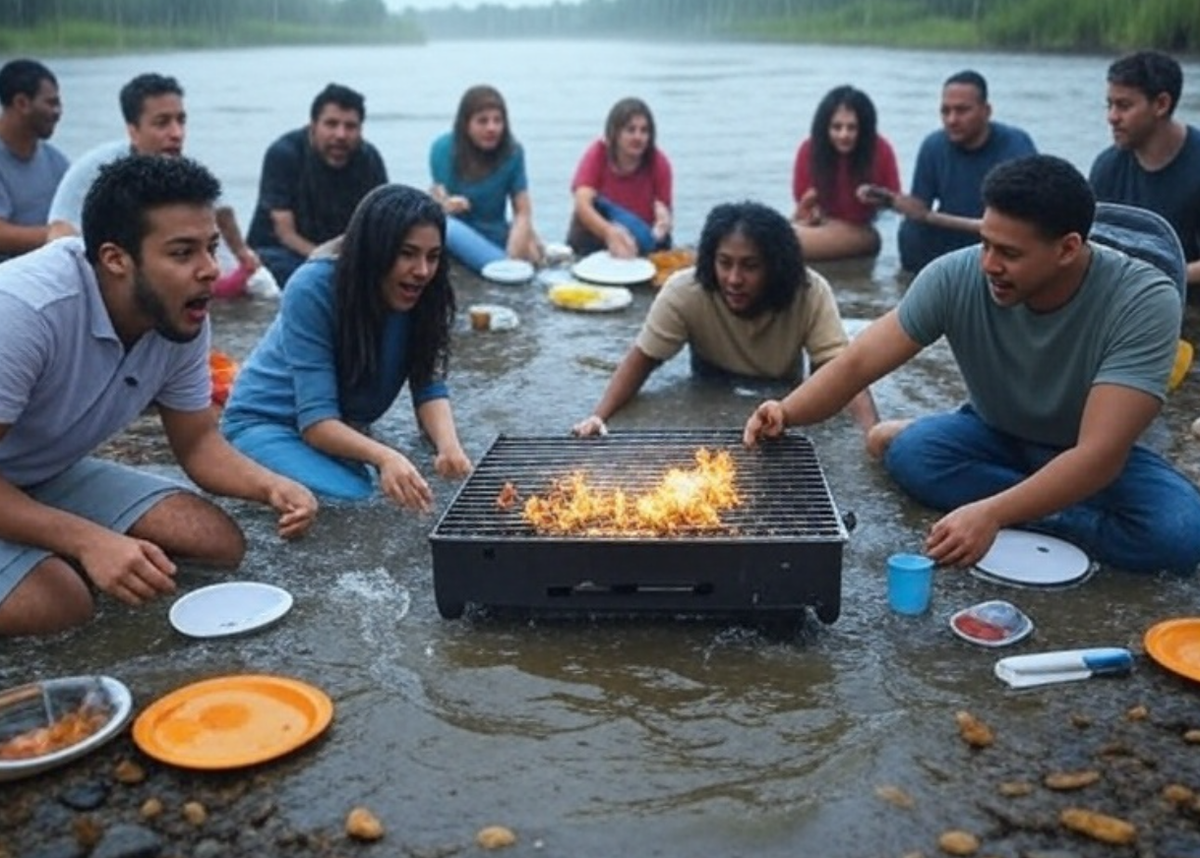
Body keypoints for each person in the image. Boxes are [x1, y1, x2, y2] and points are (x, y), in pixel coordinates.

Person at [743, 155, 1200, 575]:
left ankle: (1029, 499)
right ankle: (1056, 504)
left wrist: (993, 512)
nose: (989, 265)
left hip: (1089, 451)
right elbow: (858, 363)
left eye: (1010, 254)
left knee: (1177, 534)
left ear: (1067, 249)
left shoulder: (1143, 299)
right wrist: (787, 410)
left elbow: (1099, 455)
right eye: (985, 244)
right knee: (912, 456)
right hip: (994, 432)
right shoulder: (954, 275)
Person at [0, 155, 318, 637]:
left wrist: (270, 486)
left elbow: (197, 442)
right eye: (183, 253)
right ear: (116, 259)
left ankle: (38, 553)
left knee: (217, 543)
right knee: (62, 604)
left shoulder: (180, 316)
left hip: (38, 472)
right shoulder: (24, 313)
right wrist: (88, 541)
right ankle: (45, 564)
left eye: (211, 248)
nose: (210, 270)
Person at [222, 184, 472, 507]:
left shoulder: (425, 292)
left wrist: (450, 448)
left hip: (339, 424)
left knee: (403, 483)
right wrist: (385, 456)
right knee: (357, 501)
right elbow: (316, 423)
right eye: (407, 254)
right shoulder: (313, 288)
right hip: (267, 424)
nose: (422, 271)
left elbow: (428, 384)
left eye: (433, 256)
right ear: (374, 250)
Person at [573, 200, 878, 437]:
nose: (734, 279)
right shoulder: (685, 290)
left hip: (779, 398)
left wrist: (871, 435)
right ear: (710, 260)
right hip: (708, 387)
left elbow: (844, 372)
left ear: (775, 267)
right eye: (724, 263)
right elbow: (641, 359)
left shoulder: (810, 292)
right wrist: (599, 416)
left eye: (750, 266)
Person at [45, 73, 260, 290]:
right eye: (162, 123)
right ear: (133, 130)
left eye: (181, 120)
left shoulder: (184, 168)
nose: (177, 133)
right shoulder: (94, 169)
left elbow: (222, 211)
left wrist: (243, 253)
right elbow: (59, 234)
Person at [892, 70, 1036, 274]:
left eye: (962, 110)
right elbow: (919, 209)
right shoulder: (933, 146)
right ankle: (915, 283)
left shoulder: (1015, 145)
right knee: (910, 229)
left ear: (986, 111)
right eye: (945, 111)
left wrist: (927, 216)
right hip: (950, 238)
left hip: (996, 240)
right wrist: (892, 201)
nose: (952, 119)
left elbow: (1022, 221)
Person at [246, 83, 389, 286]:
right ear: (313, 125)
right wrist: (330, 261)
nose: (341, 135)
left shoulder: (369, 159)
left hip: (340, 254)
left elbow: (381, 225)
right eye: (331, 124)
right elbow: (285, 233)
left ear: (361, 130)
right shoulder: (284, 154)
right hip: (282, 251)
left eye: (350, 126)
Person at [1089, 50, 1200, 289]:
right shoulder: (1106, 168)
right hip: (1129, 293)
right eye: (1109, 105)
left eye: (1124, 106)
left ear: (1161, 104)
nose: (1112, 117)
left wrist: (1156, 279)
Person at [429, 84, 542, 274]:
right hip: (458, 231)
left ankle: (505, 267)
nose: (492, 128)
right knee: (445, 225)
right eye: (482, 121)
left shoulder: (513, 152)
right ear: (466, 124)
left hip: (494, 232)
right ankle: (502, 267)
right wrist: (448, 204)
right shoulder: (442, 149)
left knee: (531, 243)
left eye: (498, 120)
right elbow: (437, 197)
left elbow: (522, 212)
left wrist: (516, 251)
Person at [790, 85, 901, 261]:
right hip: (817, 226)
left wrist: (879, 197)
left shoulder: (880, 150)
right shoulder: (809, 150)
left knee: (780, 245)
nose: (844, 135)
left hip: (861, 232)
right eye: (837, 127)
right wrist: (807, 208)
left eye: (852, 128)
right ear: (825, 128)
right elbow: (801, 208)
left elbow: (896, 201)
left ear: (863, 129)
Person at [567, 97, 672, 259]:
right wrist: (609, 232)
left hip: (640, 241)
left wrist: (664, 222)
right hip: (598, 237)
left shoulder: (659, 163)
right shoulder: (598, 154)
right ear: (615, 133)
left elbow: (664, 211)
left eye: (644, 131)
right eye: (631, 130)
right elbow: (582, 203)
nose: (638, 137)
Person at [0, 59, 68, 262]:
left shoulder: (56, 161)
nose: (58, 112)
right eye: (51, 103)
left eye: (58, 104)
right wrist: (56, 235)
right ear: (22, 103)